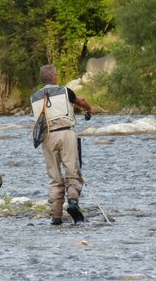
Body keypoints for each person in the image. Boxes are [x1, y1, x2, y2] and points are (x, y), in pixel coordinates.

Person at [30, 64, 96, 225]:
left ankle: (56, 216)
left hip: (47, 137)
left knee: (54, 177)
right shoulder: (65, 91)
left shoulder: (34, 97)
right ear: (54, 77)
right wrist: (90, 109)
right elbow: (80, 101)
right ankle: (73, 202)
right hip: (66, 133)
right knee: (72, 171)